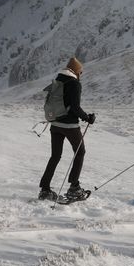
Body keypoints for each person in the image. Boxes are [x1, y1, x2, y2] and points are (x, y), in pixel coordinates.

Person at [39, 57, 96, 200]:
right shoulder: (74, 83)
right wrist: (87, 118)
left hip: (55, 124)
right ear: (76, 71)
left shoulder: (58, 80)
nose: (80, 75)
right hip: (69, 126)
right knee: (80, 152)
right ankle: (74, 188)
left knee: (55, 156)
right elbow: (75, 107)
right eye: (80, 72)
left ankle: (45, 190)